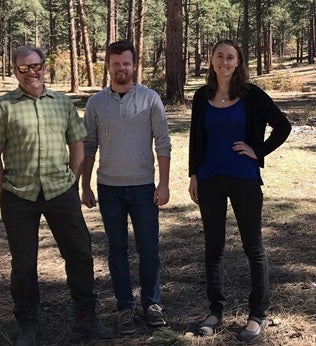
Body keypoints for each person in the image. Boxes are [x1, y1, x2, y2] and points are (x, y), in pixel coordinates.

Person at [0, 45, 112, 345]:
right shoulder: (3, 107)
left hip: (60, 192)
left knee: (79, 254)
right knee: (24, 263)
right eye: (24, 68)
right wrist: (3, 192)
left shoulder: (62, 103)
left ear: (45, 66)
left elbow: (77, 144)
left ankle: (86, 318)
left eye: (36, 66)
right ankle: (27, 324)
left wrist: (73, 181)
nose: (32, 73)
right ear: (15, 71)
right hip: (19, 195)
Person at [188, 39, 291, 342]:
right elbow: (195, 137)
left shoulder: (251, 95)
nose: (224, 62)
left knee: (253, 246)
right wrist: (194, 174)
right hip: (209, 179)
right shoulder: (201, 96)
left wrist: (258, 151)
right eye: (219, 56)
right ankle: (215, 310)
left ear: (238, 62)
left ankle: (257, 314)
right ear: (211, 61)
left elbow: (282, 126)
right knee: (214, 247)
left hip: (243, 178)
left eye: (230, 57)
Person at [81, 40, 171, 335]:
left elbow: (163, 143)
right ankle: (124, 307)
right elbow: (89, 146)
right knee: (117, 249)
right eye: (116, 63)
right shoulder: (96, 103)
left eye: (127, 63)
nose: (122, 68)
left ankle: (152, 304)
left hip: (144, 187)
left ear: (135, 65)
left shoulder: (150, 98)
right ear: (108, 66)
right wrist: (85, 186)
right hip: (109, 189)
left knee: (149, 248)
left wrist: (164, 184)